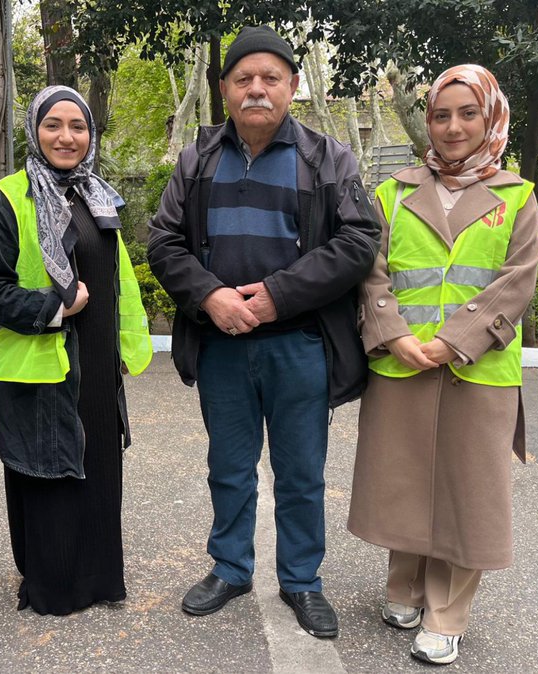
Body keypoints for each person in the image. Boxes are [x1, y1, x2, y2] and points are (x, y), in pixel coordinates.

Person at [147, 26, 379, 638]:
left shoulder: (329, 159)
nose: (256, 89)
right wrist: (210, 295)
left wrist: (279, 295)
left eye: (270, 78)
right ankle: (230, 567)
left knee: (302, 471)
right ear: (223, 89)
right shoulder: (197, 158)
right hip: (222, 344)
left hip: (299, 344)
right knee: (229, 466)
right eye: (243, 78)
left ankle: (302, 581)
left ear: (293, 86)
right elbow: (162, 241)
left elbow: (360, 240)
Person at [348, 64, 538, 666]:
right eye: (440, 114)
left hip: (476, 369)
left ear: (491, 118)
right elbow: (370, 274)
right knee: (403, 480)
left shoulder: (517, 196)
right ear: (426, 122)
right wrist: (393, 334)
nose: (453, 127)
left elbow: (516, 283)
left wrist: (454, 340)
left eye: (467, 113)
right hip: (402, 361)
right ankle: (403, 587)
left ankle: (447, 613)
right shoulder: (393, 193)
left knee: (467, 493)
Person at [0, 85, 153, 616]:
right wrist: (56, 305)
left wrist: (125, 344)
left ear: (91, 135)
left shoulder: (100, 198)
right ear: (34, 130)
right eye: (54, 125)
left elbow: (119, 279)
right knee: (47, 472)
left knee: (96, 469)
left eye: (78, 126)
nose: (66, 137)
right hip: (40, 362)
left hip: (95, 363)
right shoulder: (4, 199)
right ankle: (51, 586)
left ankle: (98, 579)